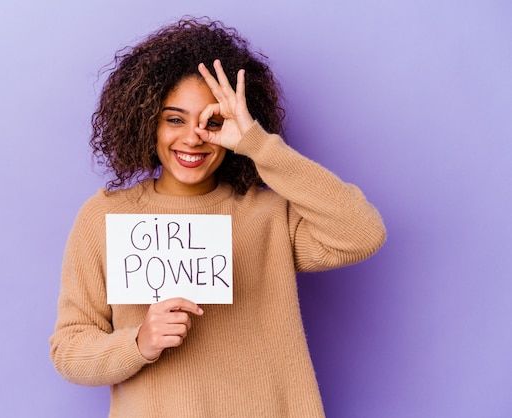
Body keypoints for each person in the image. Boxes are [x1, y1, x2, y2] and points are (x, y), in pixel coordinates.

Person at [49, 17, 386, 417]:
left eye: (212, 122)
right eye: (174, 118)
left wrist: (257, 144)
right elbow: (69, 350)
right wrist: (139, 342)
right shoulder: (105, 216)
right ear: (146, 121)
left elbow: (363, 233)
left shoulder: (268, 214)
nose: (193, 137)